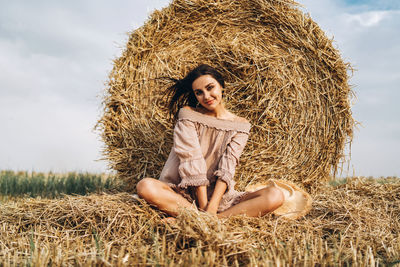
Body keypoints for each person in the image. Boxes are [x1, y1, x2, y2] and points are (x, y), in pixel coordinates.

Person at [136, 64, 284, 219]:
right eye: (199, 93)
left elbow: (228, 166)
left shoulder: (241, 125)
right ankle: (204, 219)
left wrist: (212, 206)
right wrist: (203, 206)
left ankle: (208, 221)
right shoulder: (188, 115)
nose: (206, 96)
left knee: (275, 195)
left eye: (210, 87)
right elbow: (192, 159)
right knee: (145, 186)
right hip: (182, 194)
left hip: (218, 199)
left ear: (221, 87)